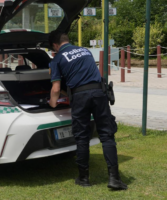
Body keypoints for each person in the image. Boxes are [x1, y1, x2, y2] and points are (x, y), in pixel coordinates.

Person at [48, 32, 127, 190]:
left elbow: (56, 88)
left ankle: (83, 179)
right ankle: (114, 179)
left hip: (80, 98)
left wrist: (52, 103)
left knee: (82, 137)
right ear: (66, 40)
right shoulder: (85, 51)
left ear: (55, 45)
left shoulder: (56, 59)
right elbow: (85, 76)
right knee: (106, 135)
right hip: (99, 93)